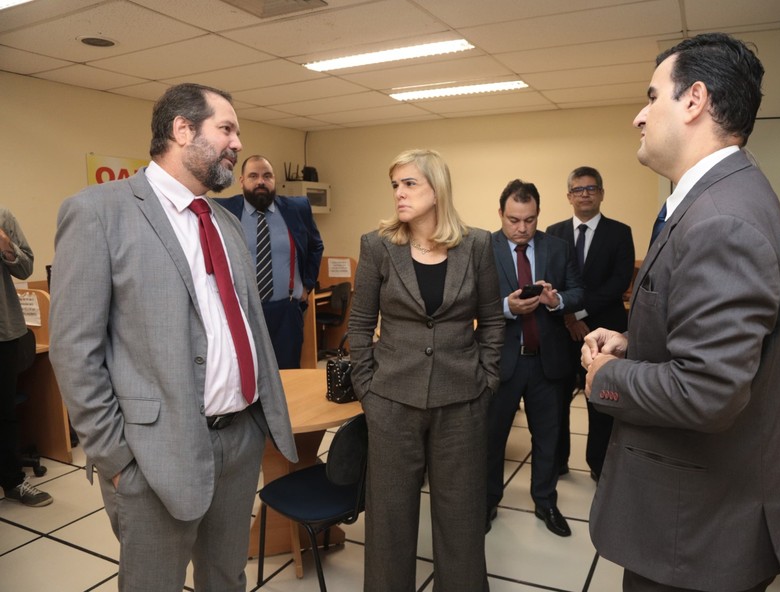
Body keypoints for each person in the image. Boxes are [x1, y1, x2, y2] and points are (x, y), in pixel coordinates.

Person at [581, 33, 780, 591]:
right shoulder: (718, 199)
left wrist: (606, 378)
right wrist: (635, 344)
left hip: (699, 534)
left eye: (651, 96)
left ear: (694, 100)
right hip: (696, 520)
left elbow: (709, 390)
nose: (639, 116)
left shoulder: (720, 220)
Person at [49, 83, 298, 592]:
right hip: (153, 456)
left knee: (227, 577)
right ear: (182, 130)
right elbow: (75, 350)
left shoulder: (224, 222)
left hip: (240, 440)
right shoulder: (99, 212)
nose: (236, 143)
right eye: (226, 129)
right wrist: (117, 461)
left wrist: (257, 422)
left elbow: (242, 324)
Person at [348, 148, 504, 592]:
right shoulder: (378, 246)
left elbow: (492, 320)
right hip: (392, 401)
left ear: (437, 191)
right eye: (395, 184)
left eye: (409, 183)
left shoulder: (475, 244)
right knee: (389, 521)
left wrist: (487, 381)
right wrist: (367, 389)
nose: (399, 192)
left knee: (461, 519)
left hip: (462, 402)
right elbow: (360, 323)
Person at [487, 179, 583, 537]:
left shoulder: (557, 248)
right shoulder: (484, 248)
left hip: (547, 361)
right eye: (514, 220)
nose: (522, 228)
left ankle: (545, 501)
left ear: (538, 214)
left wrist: (557, 301)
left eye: (529, 220)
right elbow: (469, 302)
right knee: (493, 438)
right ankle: (487, 501)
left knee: (548, 437)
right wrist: (506, 307)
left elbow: (577, 291)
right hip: (502, 361)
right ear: (501, 214)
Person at [545, 167, 635, 480]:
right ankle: (556, 462)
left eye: (591, 188)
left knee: (601, 402)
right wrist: (568, 317)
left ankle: (599, 465)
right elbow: (551, 284)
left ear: (601, 193)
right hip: (561, 331)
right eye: (578, 189)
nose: (585, 193)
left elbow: (619, 282)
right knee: (556, 402)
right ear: (569, 195)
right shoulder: (552, 233)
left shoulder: (620, 232)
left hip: (605, 334)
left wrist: (578, 314)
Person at [216, 155, 324, 369]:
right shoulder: (223, 210)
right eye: (253, 176)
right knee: (246, 376)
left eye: (267, 176)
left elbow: (315, 246)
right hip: (242, 311)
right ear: (242, 181)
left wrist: (308, 285)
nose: (260, 182)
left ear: (274, 180)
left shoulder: (297, 208)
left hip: (287, 312)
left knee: (287, 377)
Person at [1, 208, 52, 507]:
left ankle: (13, 481)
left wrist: (4, 242)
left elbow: (25, 269)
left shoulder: (2, 216)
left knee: (4, 413)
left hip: (3, 332)